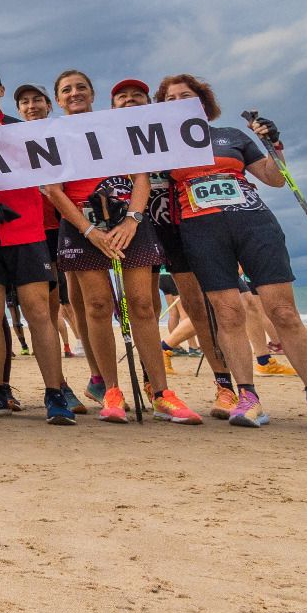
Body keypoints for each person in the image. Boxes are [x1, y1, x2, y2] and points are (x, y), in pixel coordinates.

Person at [157, 75, 307, 431]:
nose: (178, 102)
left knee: (283, 312)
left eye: (186, 95)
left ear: (202, 102)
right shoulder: (161, 146)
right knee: (228, 314)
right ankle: (247, 397)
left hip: (254, 224)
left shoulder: (232, 135)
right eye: (170, 99)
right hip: (201, 231)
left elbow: (274, 178)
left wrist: (275, 143)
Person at [41, 69, 200, 425]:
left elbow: (142, 175)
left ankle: (161, 393)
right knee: (97, 305)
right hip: (81, 224)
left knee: (142, 304)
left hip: (129, 219)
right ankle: (111, 389)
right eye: (66, 89)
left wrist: (133, 219)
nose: (75, 93)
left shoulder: (115, 128)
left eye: (81, 87)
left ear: (93, 93)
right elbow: (53, 190)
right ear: (58, 99)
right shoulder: (51, 134)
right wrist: (89, 231)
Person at [0, 68, 81, 425]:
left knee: (39, 312)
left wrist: (6, 137)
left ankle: (55, 392)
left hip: (26, 231)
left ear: (0, 90)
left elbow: (54, 168)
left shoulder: (25, 129)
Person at [111, 77, 238, 418]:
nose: (130, 101)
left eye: (137, 95)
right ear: (111, 108)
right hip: (134, 226)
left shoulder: (171, 132)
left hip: (176, 222)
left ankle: (225, 385)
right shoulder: (107, 138)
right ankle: (156, 386)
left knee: (197, 304)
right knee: (144, 306)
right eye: (121, 97)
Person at [14, 82, 83, 365]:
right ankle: (60, 368)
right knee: (51, 301)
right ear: (18, 109)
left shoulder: (63, 133)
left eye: (37, 101)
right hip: (35, 228)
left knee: (75, 297)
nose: (32, 107)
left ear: (49, 104)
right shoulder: (14, 137)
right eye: (25, 103)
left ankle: (86, 353)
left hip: (68, 221)